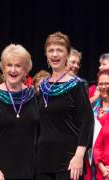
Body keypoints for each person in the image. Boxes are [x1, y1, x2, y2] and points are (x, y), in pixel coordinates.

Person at [35, 32, 94, 180]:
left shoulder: (77, 85)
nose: (55, 54)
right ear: (46, 55)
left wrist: (79, 156)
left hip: (69, 162)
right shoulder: (42, 86)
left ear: (67, 54)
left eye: (59, 50)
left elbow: (87, 122)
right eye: (51, 50)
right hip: (43, 161)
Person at [0, 44, 39, 180]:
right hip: (0, 171)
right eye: (9, 65)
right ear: (3, 68)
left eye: (18, 65)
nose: (13, 70)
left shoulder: (32, 94)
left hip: (30, 169)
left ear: (25, 69)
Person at [92, 69, 109, 180]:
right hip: (93, 162)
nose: (103, 87)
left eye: (107, 83)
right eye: (100, 84)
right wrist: (94, 97)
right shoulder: (95, 106)